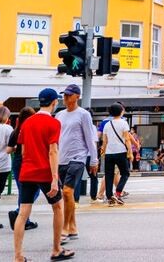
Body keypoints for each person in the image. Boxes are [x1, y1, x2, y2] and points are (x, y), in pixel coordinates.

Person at [13, 88, 73, 262]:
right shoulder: (54, 123)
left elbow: (23, 151)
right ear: (54, 103)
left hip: (27, 171)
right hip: (45, 172)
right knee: (58, 207)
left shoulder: (27, 122)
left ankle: (18, 256)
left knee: (23, 212)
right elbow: (53, 151)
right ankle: (56, 249)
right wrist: (55, 178)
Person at [55, 84, 98, 243]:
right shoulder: (59, 115)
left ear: (77, 96)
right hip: (61, 158)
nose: (65, 98)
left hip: (78, 158)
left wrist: (93, 160)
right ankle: (73, 227)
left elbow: (90, 138)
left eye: (68, 95)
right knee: (66, 195)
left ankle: (65, 228)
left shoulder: (84, 114)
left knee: (67, 192)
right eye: (64, 95)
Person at [7, 107, 39, 230]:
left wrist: (17, 148)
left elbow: (8, 150)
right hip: (28, 161)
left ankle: (24, 218)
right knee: (34, 191)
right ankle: (20, 213)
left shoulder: (15, 131)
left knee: (23, 191)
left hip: (17, 162)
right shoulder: (32, 129)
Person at [101, 102, 132, 206]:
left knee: (109, 175)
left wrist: (103, 152)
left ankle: (110, 198)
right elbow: (127, 139)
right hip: (121, 152)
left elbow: (104, 141)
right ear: (121, 111)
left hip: (109, 153)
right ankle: (118, 193)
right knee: (125, 173)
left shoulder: (107, 124)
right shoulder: (124, 123)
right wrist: (130, 152)